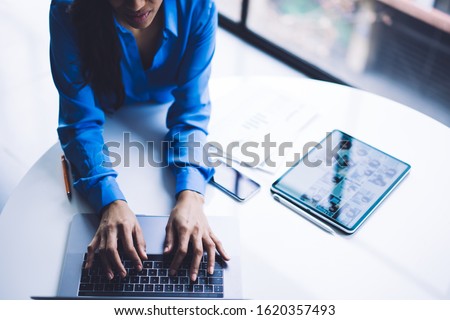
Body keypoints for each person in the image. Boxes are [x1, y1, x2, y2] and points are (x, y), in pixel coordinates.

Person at [49, 0, 229, 283]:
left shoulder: (198, 6)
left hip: (154, 117)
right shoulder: (68, 9)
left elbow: (190, 114)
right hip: (109, 120)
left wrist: (192, 195)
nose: (137, 5)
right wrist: (110, 201)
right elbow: (79, 122)